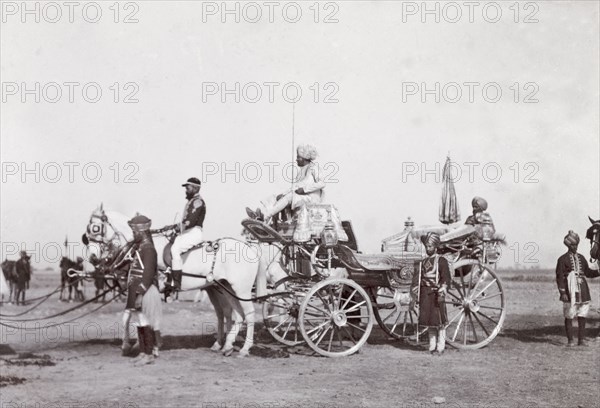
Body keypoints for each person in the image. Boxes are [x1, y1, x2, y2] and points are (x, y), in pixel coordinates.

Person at [246, 144, 325, 222]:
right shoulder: (300, 172)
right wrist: (283, 194)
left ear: (304, 159)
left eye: (298, 157)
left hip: (310, 198)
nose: (296, 160)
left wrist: (304, 189)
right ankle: (259, 216)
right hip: (301, 197)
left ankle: (265, 217)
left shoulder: (314, 168)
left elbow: (322, 183)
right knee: (274, 197)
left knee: (289, 197)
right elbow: (295, 188)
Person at [125, 214, 163, 366]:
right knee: (139, 322)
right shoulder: (141, 247)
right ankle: (143, 352)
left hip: (144, 291)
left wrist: (140, 294)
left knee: (145, 322)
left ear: (141, 232)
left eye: (134, 232)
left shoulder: (148, 249)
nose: (133, 235)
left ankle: (148, 355)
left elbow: (148, 275)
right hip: (137, 290)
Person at [556, 230, 600, 347]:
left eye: (576, 245)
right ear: (568, 245)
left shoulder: (581, 257)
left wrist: (599, 272)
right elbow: (560, 277)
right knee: (569, 315)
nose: (575, 247)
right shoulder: (562, 259)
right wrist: (563, 292)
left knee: (582, 315)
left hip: (583, 289)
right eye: (573, 245)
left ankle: (581, 340)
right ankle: (570, 341)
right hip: (569, 290)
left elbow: (588, 272)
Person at [411, 232, 452, 355]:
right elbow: (417, 279)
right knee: (429, 321)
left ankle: (441, 346)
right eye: (426, 246)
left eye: (430, 246)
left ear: (435, 246)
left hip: (436, 294)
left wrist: (443, 288)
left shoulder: (441, 261)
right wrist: (416, 292)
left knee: (439, 321)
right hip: (425, 294)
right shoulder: (422, 262)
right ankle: (432, 345)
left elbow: (446, 277)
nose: (428, 248)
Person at [167, 177, 206, 290]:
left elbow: (190, 222)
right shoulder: (192, 201)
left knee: (175, 250)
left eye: (188, 188)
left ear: (195, 188)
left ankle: (177, 283)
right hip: (187, 232)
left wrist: (176, 228)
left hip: (194, 232)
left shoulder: (197, 202)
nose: (186, 190)